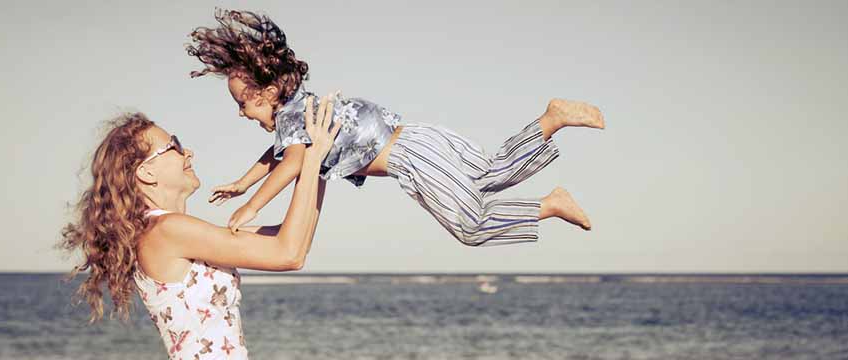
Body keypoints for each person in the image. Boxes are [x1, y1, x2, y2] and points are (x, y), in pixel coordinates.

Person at [60, 96, 340, 360]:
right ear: (146, 171)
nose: (187, 151)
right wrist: (312, 157)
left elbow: (294, 238)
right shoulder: (167, 231)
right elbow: (288, 254)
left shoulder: (175, 231)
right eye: (173, 145)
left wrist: (323, 161)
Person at [187, 9, 605, 247]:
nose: (242, 114)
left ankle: (549, 204)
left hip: (410, 158)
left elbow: (291, 163)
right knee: (494, 172)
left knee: (471, 227)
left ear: (270, 91)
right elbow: (279, 156)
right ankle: (550, 120)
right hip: (422, 136)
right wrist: (242, 182)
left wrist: (252, 206)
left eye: (244, 104)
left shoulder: (294, 119)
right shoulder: (300, 110)